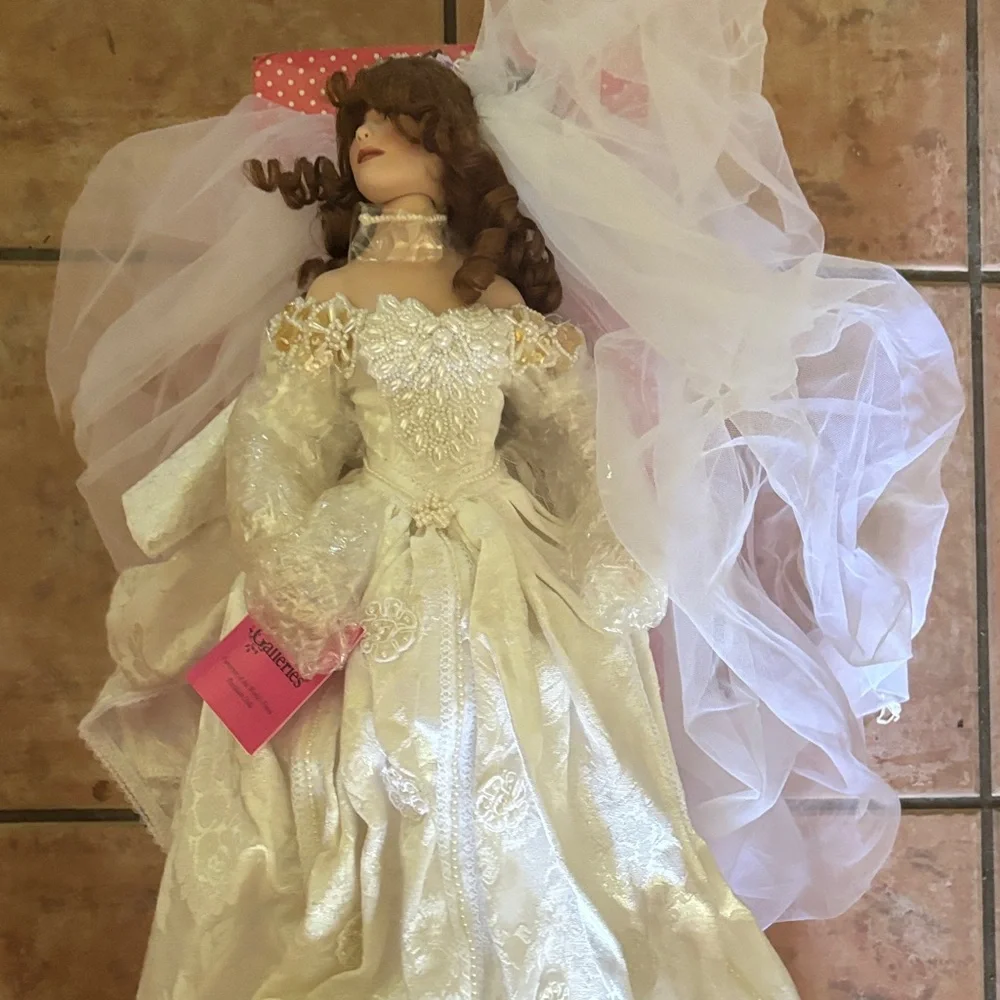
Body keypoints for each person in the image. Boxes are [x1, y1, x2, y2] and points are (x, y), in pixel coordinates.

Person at [47, 1, 963, 995]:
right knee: (369, 778)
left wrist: (608, 535)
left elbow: (570, 429)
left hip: (506, 557)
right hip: (365, 554)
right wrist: (292, 557)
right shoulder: (332, 303)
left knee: (555, 767)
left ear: (450, 150)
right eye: (360, 128)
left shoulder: (493, 300)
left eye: (396, 127)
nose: (369, 141)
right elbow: (276, 440)